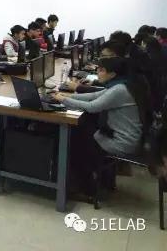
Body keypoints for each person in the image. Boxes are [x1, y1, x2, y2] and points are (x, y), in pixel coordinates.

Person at [52, 57, 151, 197]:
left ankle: (85, 188)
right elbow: (94, 96)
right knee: (82, 128)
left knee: (74, 140)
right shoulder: (123, 85)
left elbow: (92, 106)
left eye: (102, 70)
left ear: (113, 74)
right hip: (126, 137)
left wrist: (64, 100)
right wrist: (66, 96)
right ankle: (97, 181)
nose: (98, 72)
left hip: (122, 142)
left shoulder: (119, 90)